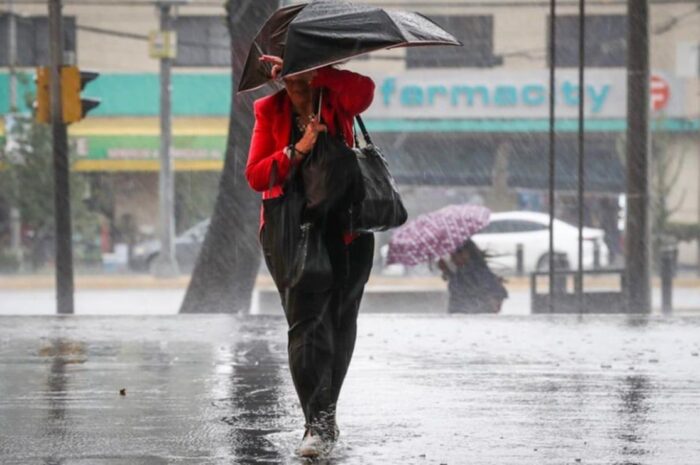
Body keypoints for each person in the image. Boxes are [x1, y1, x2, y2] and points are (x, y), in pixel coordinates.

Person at [245, 54, 375, 458]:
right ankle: (315, 425)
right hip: (292, 231)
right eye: (289, 79)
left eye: (301, 78)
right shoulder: (269, 110)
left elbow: (366, 91)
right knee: (306, 326)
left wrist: (318, 70)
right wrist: (297, 150)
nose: (296, 87)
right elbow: (255, 174)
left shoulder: (336, 98)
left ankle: (327, 414)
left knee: (340, 322)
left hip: (348, 228)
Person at [437, 240, 508, 314]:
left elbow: (498, 292)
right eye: (452, 255)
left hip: (471, 314)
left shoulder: (477, 271)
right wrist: (447, 271)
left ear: (469, 253)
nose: (454, 257)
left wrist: (492, 303)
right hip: (462, 314)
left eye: (459, 253)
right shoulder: (462, 271)